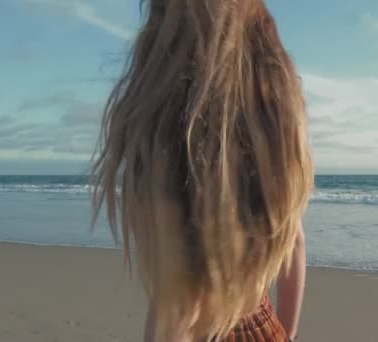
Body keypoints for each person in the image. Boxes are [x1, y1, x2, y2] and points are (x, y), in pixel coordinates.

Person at [90, 0, 313, 340]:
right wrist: (288, 331)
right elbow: (295, 242)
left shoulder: (177, 143)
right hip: (263, 325)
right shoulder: (266, 152)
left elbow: (180, 308)